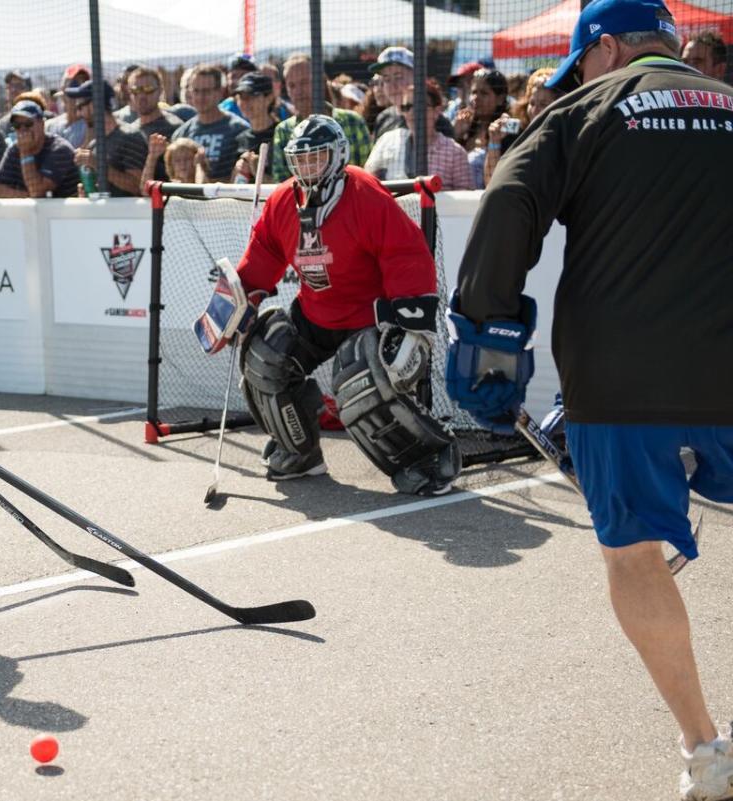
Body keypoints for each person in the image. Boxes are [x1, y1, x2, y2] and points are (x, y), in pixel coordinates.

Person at [447, 2, 733, 798]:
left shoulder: (583, 109)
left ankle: (706, 749)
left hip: (618, 374)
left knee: (634, 550)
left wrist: (486, 333)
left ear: (604, 49)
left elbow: (508, 202)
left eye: (580, 64)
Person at [199, 114, 458, 493]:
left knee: (358, 382)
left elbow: (405, 255)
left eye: (316, 157)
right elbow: (263, 255)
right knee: (265, 355)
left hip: (369, 318)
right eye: (300, 159)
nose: (307, 167)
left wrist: (413, 329)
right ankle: (300, 452)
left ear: (337, 155)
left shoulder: (365, 193)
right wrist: (242, 301)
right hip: (316, 313)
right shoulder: (283, 199)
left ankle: (426, 458)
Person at [271, 53, 372, 182]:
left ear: (322, 82)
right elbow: (282, 182)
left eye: (304, 82)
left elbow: (369, 174)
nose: (298, 91)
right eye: (292, 85)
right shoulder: (284, 131)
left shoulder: (353, 122)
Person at [365, 80, 473, 190]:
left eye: (418, 106)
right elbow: (367, 181)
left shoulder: (455, 153)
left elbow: (464, 198)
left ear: (437, 111)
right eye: (406, 107)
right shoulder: (386, 141)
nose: (411, 112)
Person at [66, 79, 148, 197]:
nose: (79, 114)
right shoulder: (94, 144)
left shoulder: (130, 137)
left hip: (128, 214)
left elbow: (138, 186)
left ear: (95, 104)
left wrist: (98, 165)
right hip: (104, 213)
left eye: (80, 107)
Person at [170, 63, 248, 182]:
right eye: (196, 91)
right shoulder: (181, 134)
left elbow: (242, 177)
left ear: (220, 92)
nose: (201, 97)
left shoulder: (239, 130)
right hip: (189, 200)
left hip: (226, 199)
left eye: (206, 91)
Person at [0, 99, 79, 198]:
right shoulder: (14, 149)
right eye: (17, 125)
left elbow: (37, 192)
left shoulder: (60, 149)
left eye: (28, 124)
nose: (23, 130)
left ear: (42, 124)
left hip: (70, 212)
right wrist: (27, 198)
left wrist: (25, 152)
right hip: (35, 212)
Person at [451, 68, 509, 189]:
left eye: (484, 93)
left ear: (500, 99)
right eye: (474, 92)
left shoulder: (506, 131)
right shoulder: (465, 128)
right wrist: (457, 135)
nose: (476, 98)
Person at [231, 71, 278, 182]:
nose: (245, 102)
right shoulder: (240, 139)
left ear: (269, 98)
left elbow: (287, 187)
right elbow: (232, 186)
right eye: (241, 96)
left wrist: (257, 169)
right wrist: (237, 171)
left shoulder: (281, 135)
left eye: (252, 95)